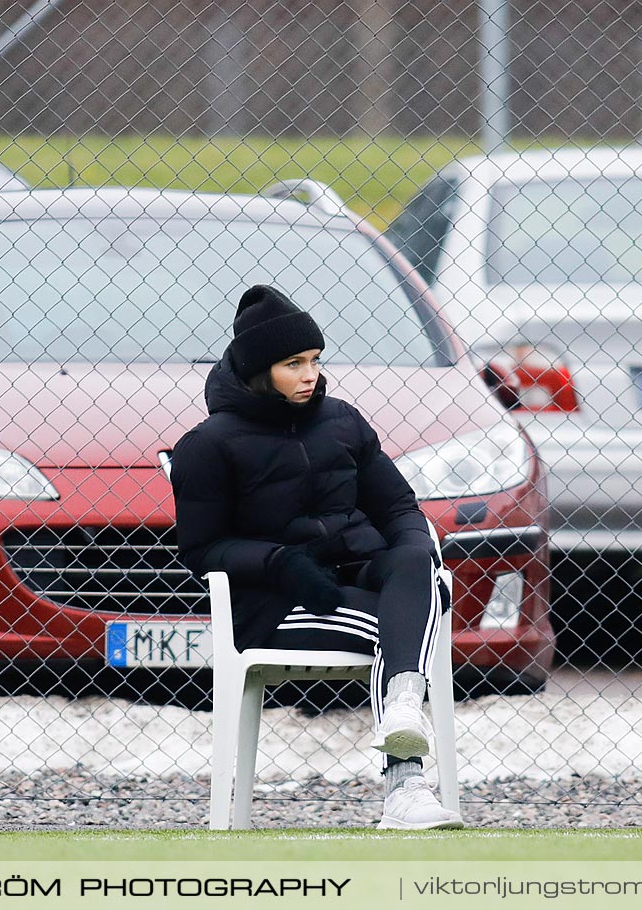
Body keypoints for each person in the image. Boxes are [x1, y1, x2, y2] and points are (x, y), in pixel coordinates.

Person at [171, 285, 461, 830]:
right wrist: (279, 562)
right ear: (260, 370)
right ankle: (406, 790)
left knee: (416, 565)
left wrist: (416, 553)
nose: (311, 374)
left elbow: (398, 506)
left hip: (363, 570)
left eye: (315, 360)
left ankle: (402, 706)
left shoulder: (343, 421)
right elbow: (202, 548)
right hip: (278, 605)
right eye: (293, 363)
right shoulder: (209, 444)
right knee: (395, 628)